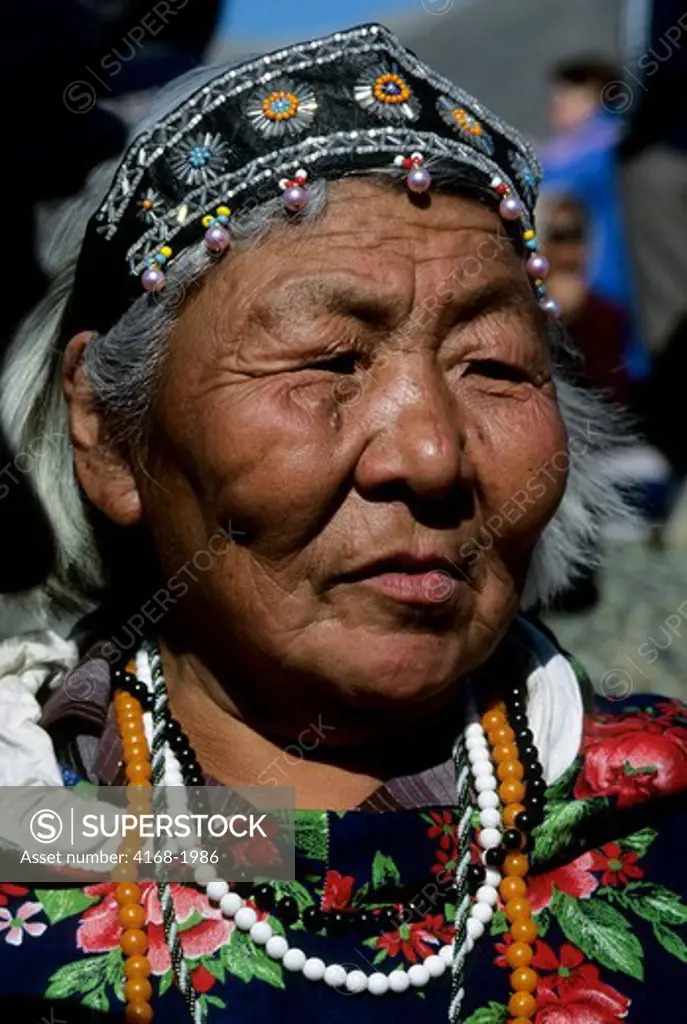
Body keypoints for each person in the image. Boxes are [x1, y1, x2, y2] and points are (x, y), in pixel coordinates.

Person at [0, 22, 686, 1024]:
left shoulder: (657, 814)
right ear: (108, 433)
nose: (430, 455)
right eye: (327, 359)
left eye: (493, 365)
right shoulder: (29, 821)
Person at [540, 57, 649, 385]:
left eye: (568, 96)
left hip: (606, 282)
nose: (556, 105)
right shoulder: (628, 139)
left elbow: (547, 180)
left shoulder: (596, 148)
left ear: (597, 97)